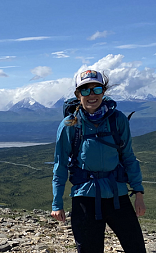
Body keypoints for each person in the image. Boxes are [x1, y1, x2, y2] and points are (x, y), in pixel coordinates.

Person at [50, 69, 146, 252]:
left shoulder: (117, 120)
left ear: (104, 91)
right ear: (78, 95)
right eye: (85, 90)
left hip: (117, 193)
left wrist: (138, 194)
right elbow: (60, 165)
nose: (91, 95)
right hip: (85, 197)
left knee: (136, 248)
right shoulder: (70, 125)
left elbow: (128, 157)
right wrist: (57, 203)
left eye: (96, 89)